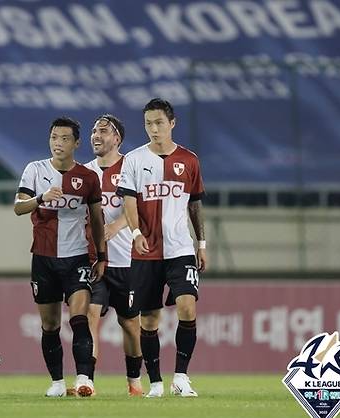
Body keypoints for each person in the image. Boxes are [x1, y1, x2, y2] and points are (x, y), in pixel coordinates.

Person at [116, 98, 207, 398]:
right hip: (146, 251)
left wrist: (201, 243)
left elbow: (195, 203)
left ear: (172, 123)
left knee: (187, 306)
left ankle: (181, 377)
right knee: (149, 320)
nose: (153, 129)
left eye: (158, 123)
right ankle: (155, 382)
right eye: (148, 124)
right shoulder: (133, 159)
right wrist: (136, 232)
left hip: (180, 248)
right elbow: (129, 200)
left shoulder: (189, 160)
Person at [14, 117, 107, 397]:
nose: (58, 143)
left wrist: (101, 255)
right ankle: (56, 382)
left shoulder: (88, 178)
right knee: (50, 324)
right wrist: (41, 198)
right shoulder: (35, 169)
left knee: (79, 317)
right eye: (54, 137)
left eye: (65, 138)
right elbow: (19, 207)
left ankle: (84, 379)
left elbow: (97, 218)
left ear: (77, 143)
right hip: (43, 258)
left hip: (77, 258)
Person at [77, 114, 143, 396]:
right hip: (95, 262)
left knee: (129, 325)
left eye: (103, 131)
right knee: (90, 314)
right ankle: (86, 380)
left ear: (117, 138)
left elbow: (144, 205)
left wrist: (118, 224)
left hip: (128, 262)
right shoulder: (84, 172)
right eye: (93, 131)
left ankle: (134, 380)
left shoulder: (133, 167)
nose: (96, 135)